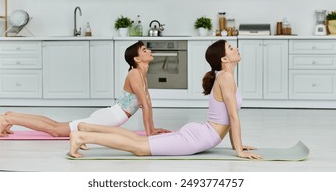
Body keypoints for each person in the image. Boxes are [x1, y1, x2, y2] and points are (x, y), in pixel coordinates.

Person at [68, 40, 263, 160]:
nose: (235, 48)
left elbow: (228, 119)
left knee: (140, 141)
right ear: (224, 59)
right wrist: (239, 150)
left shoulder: (224, 77)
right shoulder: (226, 78)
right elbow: (232, 117)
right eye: (230, 47)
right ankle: (83, 136)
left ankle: (86, 128)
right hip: (200, 137)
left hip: (201, 133)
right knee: (140, 148)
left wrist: (237, 145)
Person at [0, 41, 169, 137]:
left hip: (110, 116)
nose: (150, 51)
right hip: (109, 118)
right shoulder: (135, 75)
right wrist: (149, 133)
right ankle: (8, 119)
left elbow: (148, 104)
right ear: (137, 59)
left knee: (57, 125)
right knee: (56, 130)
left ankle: (11, 116)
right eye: (145, 50)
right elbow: (145, 106)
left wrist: (152, 130)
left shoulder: (140, 74)